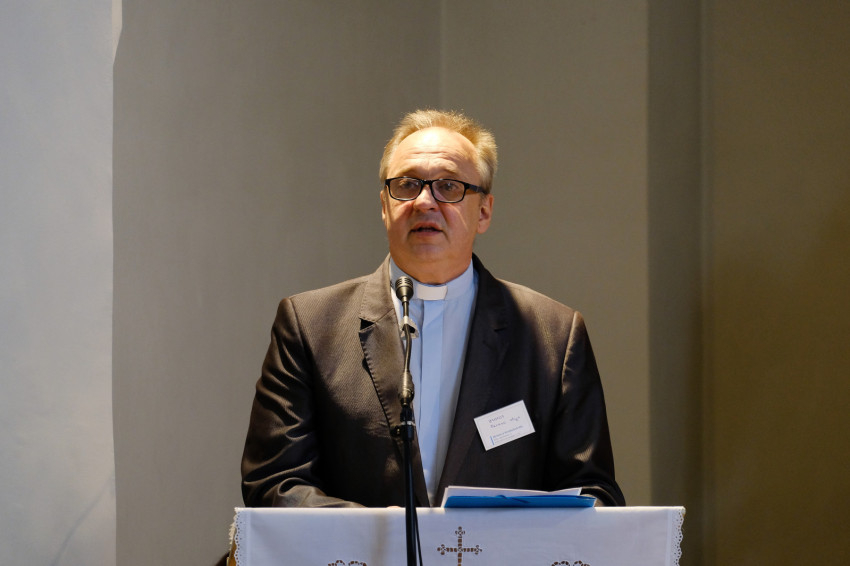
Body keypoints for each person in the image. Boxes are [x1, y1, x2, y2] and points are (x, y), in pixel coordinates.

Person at [240, 109, 625, 508]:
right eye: (406, 185)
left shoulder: (554, 335)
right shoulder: (310, 325)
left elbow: (592, 493)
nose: (424, 202)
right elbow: (275, 484)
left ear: (484, 211)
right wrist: (395, 536)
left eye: (448, 186)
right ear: (384, 205)